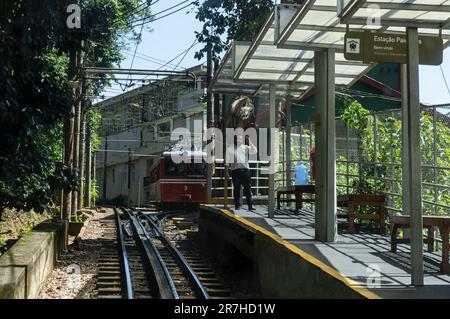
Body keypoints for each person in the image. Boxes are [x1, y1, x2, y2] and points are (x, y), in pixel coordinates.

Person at [226, 134, 257, 211]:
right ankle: (237, 205)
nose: (239, 140)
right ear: (235, 139)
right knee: (236, 189)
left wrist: (249, 141)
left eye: (241, 139)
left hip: (245, 170)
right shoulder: (230, 149)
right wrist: (226, 172)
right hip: (235, 171)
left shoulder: (245, 147)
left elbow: (255, 151)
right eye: (238, 139)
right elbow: (226, 162)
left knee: (248, 188)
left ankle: (250, 206)